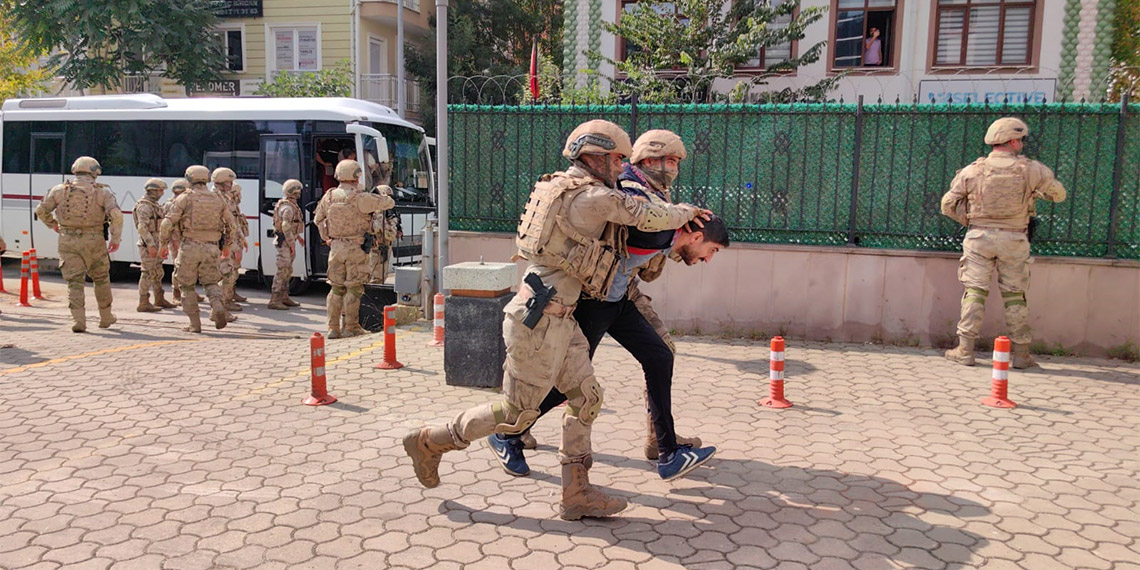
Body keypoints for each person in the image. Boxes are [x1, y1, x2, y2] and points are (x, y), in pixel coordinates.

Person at [402, 120, 708, 521]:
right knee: (515, 414)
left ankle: (576, 493)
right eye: (617, 158)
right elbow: (645, 216)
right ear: (595, 156)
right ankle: (432, 441)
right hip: (539, 320)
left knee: (586, 397)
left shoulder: (569, 187)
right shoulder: (590, 198)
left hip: (561, 317)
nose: (622, 166)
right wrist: (688, 213)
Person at [489, 130, 723, 482]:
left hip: (620, 297)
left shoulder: (654, 194)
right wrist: (682, 219)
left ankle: (666, 449)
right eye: (669, 161)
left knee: (660, 355)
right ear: (647, 161)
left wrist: (679, 222)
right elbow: (646, 225)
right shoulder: (626, 192)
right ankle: (507, 433)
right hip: (595, 300)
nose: (674, 169)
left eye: (677, 162)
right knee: (569, 386)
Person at [941, 117, 1066, 369]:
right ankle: (1021, 355)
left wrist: (969, 221)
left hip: (978, 238)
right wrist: (1037, 193)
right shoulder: (1031, 169)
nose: (1021, 143)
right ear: (1012, 141)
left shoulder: (972, 170)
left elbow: (947, 204)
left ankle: (965, 350)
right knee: (1015, 296)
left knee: (974, 291)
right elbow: (1059, 194)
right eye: (1020, 139)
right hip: (1014, 238)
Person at [34, 156, 123, 333]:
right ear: (95, 171)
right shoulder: (103, 192)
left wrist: (53, 225)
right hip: (94, 240)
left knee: (74, 281)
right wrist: (115, 239)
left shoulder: (59, 190)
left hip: (67, 240)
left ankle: (79, 320)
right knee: (101, 279)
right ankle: (106, 317)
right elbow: (117, 216)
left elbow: (41, 210)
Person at [313, 159, 395, 338]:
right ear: (357, 176)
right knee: (354, 288)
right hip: (356, 248)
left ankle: (333, 328)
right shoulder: (361, 198)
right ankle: (351, 327)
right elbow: (388, 203)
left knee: (335, 288)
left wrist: (327, 238)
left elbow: (318, 219)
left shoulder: (329, 196)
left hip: (336, 248)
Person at [159, 165, 237, 333]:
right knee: (211, 282)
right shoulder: (218, 198)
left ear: (189, 179)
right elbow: (232, 225)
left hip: (189, 246)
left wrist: (163, 244)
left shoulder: (184, 198)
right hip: (211, 247)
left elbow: (167, 223)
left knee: (186, 286)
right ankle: (217, 306)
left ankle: (195, 324)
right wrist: (227, 247)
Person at [134, 178, 177, 312]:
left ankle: (159, 298)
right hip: (149, 245)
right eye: (160, 190)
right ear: (152, 190)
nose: (162, 193)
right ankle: (143, 301)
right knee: (147, 272)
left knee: (157, 272)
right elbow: (142, 228)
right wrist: (151, 245)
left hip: (157, 243)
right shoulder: (144, 206)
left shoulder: (155, 206)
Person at [211, 168, 248, 313]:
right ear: (220, 182)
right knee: (226, 274)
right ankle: (221, 307)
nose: (231, 185)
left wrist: (240, 237)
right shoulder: (214, 197)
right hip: (219, 242)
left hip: (228, 241)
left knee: (229, 273)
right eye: (229, 182)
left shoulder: (224, 197)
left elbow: (232, 221)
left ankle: (224, 304)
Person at [268, 179, 306, 310]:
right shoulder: (288, 208)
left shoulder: (290, 205)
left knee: (287, 271)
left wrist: (298, 238)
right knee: (282, 271)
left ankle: (284, 297)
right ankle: (274, 300)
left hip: (288, 242)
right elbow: (285, 226)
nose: (299, 193)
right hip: (285, 243)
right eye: (298, 190)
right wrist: (292, 244)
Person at [164, 179, 197, 305]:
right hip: (176, 240)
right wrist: (174, 242)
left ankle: (190, 292)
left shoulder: (187, 202)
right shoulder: (170, 204)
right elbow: (168, 225)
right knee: (178, 267)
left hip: (188, 239)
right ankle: (176, 293)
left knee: (192, 267)